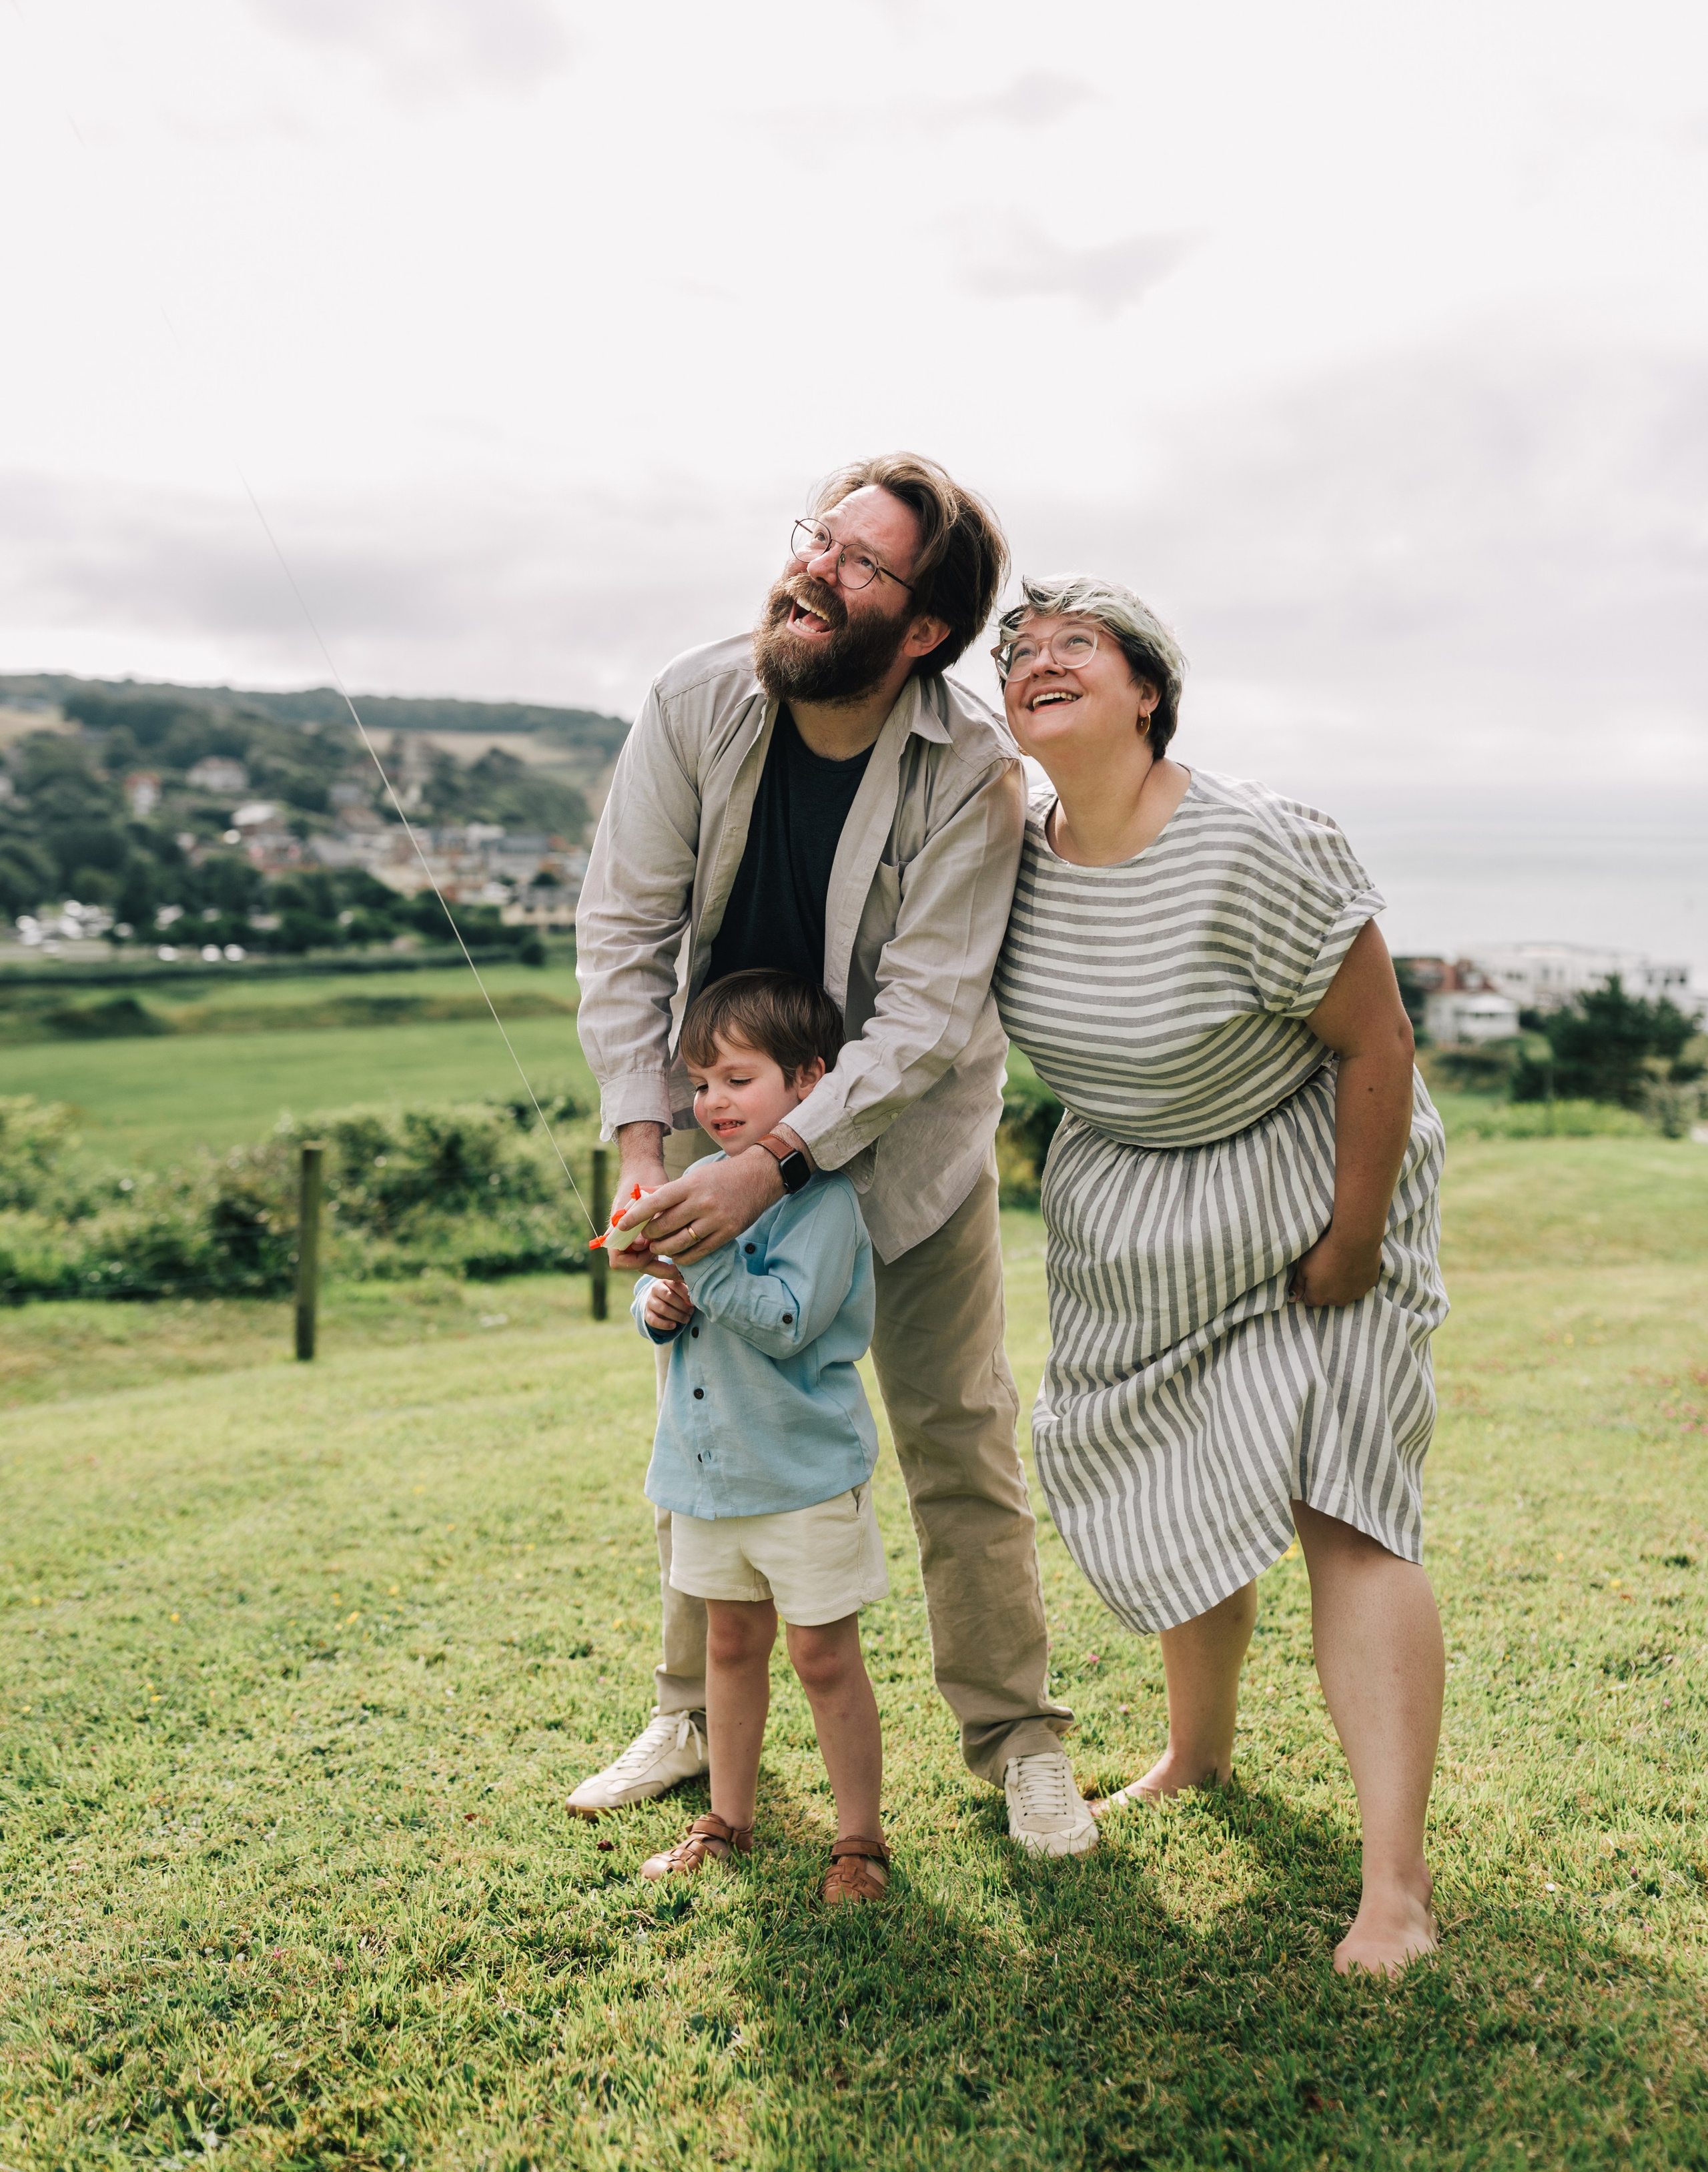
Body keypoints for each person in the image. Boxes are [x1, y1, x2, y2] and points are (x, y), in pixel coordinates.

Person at [570, 452, 1093, 1856]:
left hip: (907, 1158)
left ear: (923, 629)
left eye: (861, 564)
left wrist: (775, 1168)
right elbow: (624, 933)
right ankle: (688, 1716)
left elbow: (925, 1019)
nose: (814, 569)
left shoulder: (971, 770)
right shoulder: (694, 702)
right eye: (819, 538)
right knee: (712, 1428)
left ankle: (1017, 1740)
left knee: (957, 1433)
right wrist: (646, 1150)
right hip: (723, 1150)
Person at [989, 574, 1449, 1974]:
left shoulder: (1252, 843)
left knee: (1341, 1499)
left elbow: (1377, 1042)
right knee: (1169, 1474)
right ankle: (1197, 1754)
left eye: (1076, 642)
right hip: (1137, 1222)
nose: (1037, 658)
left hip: (1312, 1183)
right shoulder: (1004, 859)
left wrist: (1354, 1241)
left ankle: (1394, 1889)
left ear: (1147, 692)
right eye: (1017, 651)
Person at [630, 969, 891, 1903]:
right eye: (702, 1083)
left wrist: (697, 1267)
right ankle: (725, 1823)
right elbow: (668, 1294)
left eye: (738, 1079)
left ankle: (859, 1841)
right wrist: (656, 1302)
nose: (713, 1102)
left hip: (803, 1478)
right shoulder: (695, 1183)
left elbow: (785, 1321)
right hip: (710, 1477)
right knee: (730, 1648)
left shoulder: (826, 1204)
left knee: (824, 1657)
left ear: (809, 1081)